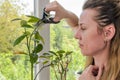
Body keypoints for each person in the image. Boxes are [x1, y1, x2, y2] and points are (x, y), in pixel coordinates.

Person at [45, 0, 120, 80]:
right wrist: (65, 14)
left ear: (107, 33)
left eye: (83, 28)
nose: (76, 35)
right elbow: (74, 24)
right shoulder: (91, 70)